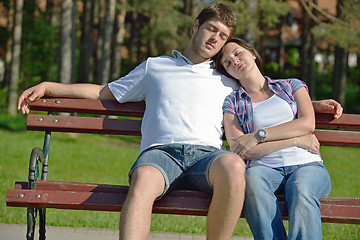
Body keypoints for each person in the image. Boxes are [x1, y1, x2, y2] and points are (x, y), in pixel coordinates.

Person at [17, 3, 342, 239]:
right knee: (142, 179)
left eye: (223, 35)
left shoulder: (225, 77)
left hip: (207, 157)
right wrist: (49, 86)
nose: (216, 38)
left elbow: (264, 93)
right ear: (196, 26)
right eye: (211, 29)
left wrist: (311, 104)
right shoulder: (155, 67)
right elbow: (104, 92)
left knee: (233, 167)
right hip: (162, 153)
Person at [215, 38, 339, 240]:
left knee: (301, 188)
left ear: (252, 53)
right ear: (228, 73)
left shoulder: (291, 86)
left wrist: (258, 135)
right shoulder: (233, 102)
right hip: (265, 170)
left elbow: (307, 123)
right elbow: (242, 149)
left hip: (307, 166)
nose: (234, 61)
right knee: (252, 180)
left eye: (237, 53)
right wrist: (296, 140)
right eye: (227, 63)